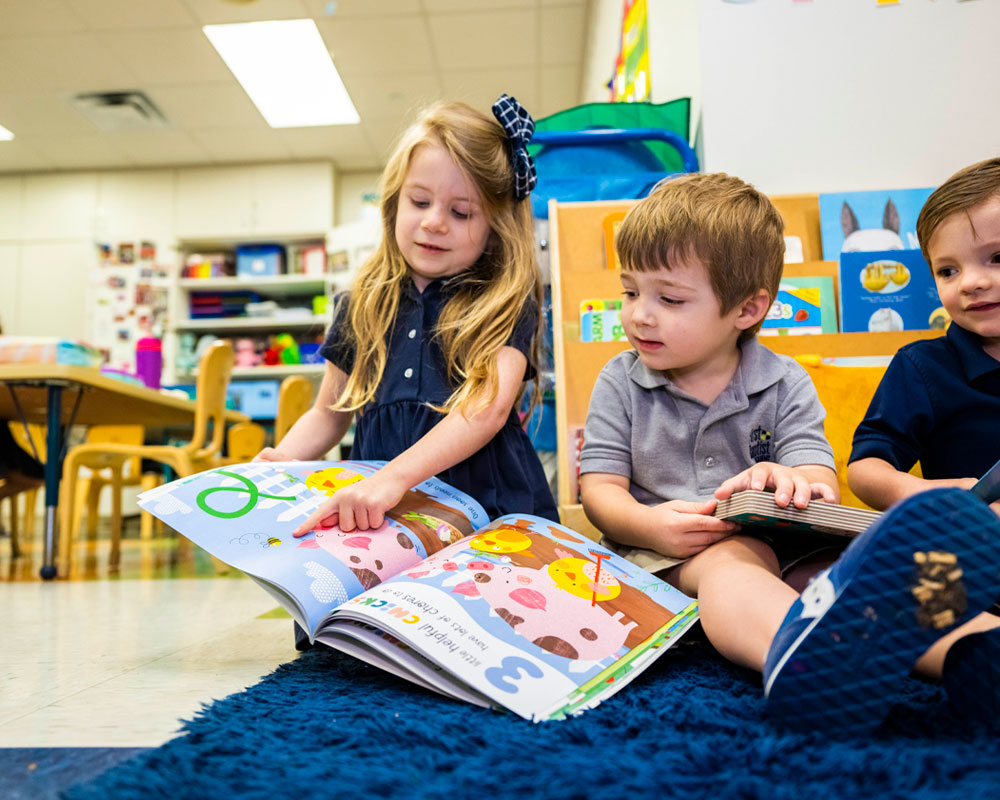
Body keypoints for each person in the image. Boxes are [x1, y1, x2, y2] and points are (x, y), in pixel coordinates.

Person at [579, 172, 1000, 733]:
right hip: (669, 557)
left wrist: (792, 478)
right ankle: (808, 658)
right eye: (630, 292)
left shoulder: (784, 380)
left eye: (669, 299)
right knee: (732, 567)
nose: (639, 314)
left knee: (862, 580)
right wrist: (650, 525)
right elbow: (599, 491)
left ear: (747, 310)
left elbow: (817, 474)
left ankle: (972, 650)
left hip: (788, 544)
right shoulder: (619, 381)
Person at [255, 95, 556, 538]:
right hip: (382, 515)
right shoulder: (360, 304)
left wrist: (393, 479)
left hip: (485, 515)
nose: (435, 222)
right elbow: (329, 413)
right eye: (419, 202)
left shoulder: (500, 301)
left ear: (494, 229)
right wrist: (285, 457)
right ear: (394, 204)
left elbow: (486, 410)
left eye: (461, 212)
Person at [845, 156, 1000, 726]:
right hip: (960, 551)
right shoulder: (921, 366)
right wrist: (925, 493)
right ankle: (969, 654)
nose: (973, 282)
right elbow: (865, 466)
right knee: (906, 584)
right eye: (948, 270)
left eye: (996, 259)